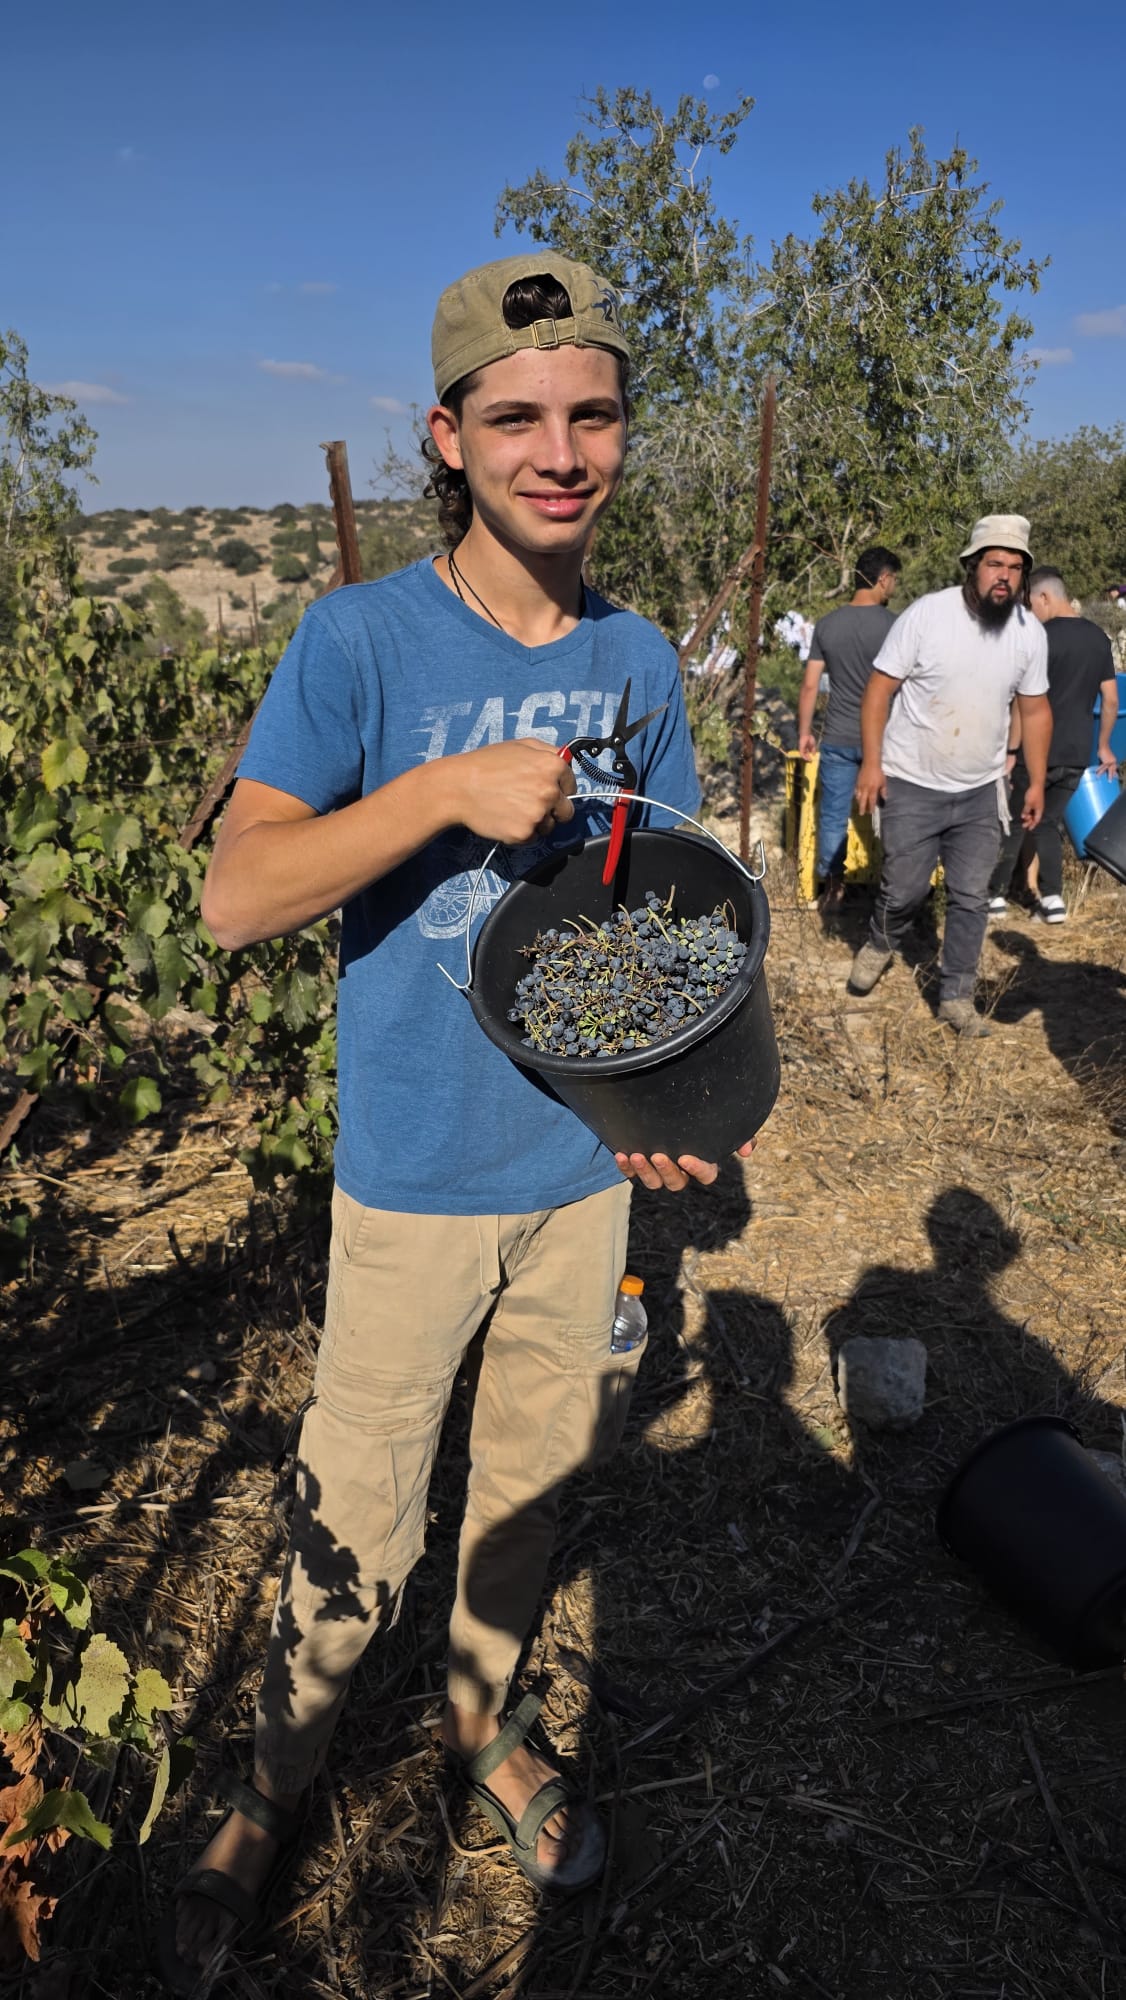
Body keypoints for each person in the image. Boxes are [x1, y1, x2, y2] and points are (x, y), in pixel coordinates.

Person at [161, 252, 755, 1990]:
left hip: (575, 1178)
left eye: (591, 416)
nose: (557, 453)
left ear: (623, 432)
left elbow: (664, 920)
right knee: (360, 1504)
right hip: (413, 1177)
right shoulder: (357, 642)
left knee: (529, 1481)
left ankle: (482, 1724)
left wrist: (659, 1107)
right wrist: (435, 793)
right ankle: (273, 1782)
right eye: (515, 419)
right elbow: (236, 897)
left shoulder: (637, 658)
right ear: (448, 437)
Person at [847, 515, 1051, 1036]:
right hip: (912, 781)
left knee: (970, 896)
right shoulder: (928, 615)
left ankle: (957, 997)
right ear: (972, 566)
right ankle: (881, 941)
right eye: (994, 563)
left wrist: (1035, 780)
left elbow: (1035, 711)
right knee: (905, 889)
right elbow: (878, 691)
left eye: (1015, 567)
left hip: (981, 789)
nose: (1004, 575)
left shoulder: (1028, 633)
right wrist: (871, 763)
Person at [988, 565, 1119, 923]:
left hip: (1037, 750)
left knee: (1016, 820)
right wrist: (1104, 746)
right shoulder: (1098, 638)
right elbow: (1110, 699)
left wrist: (1012, 750)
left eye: (1030, 603)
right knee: (1048, 822)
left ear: (1044, 597)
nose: (1029, 612)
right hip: (1077, 752)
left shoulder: (1039, 638)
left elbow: (1023, 702)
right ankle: (1053, 899)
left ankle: (994, 897)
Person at [796, 547, 901, 904]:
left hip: (838, 737)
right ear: (883, 579)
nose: (894, 588)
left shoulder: (827, 625)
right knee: (894, 816)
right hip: (885, 742)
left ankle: (833, 888)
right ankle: (894, 888)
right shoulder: (895, 626)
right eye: (893, 580)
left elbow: (810, 685)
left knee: (832, 817)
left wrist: (805, 732)